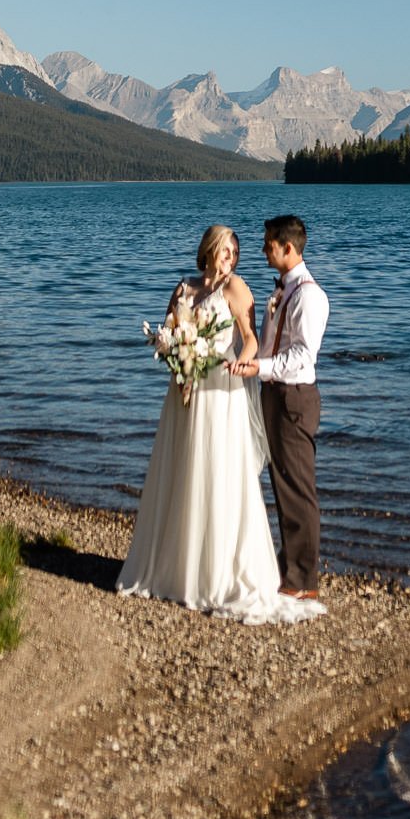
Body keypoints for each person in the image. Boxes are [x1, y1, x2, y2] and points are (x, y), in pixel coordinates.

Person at [117, 223, 323, 622]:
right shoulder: (184, 288)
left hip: (220, 393)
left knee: (218, 477)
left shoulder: (237, 288)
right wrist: (176, 356)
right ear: (209, 250)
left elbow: (250, 339)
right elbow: (170, 333)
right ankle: (177, 570)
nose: (231, 258)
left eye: (235, 252)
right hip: (185, 397)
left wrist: (245, 363)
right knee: (182, 475)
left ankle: (242, 574)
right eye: (225, 251)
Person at [229, 213, 329, 599]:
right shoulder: (283, 291)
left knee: (298, 488)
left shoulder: (309, 295)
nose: (262, 249)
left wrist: (260, 366)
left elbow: (304, 356)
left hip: (294, 398)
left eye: (268, 243)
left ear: (288, 248)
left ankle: (303, 581)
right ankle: (290, 570)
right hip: (273, 392)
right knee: (282, 484)